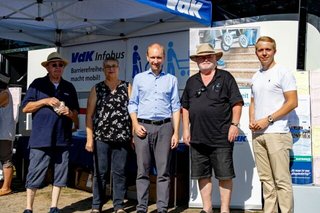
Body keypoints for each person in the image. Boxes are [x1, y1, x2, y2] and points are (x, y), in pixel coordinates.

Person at [181, 43, 243, 213]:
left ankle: (224, 210)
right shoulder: (191, 81)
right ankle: (207, 209)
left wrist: (234, 125)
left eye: (209, 56)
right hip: (197, 137)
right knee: (202, 175)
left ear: (215, 58)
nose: (206, 59)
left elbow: (237, 102)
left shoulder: (226, 77)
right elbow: (185, 107)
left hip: (221, 137)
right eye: (202, 56)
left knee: (225, 175)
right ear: (197, 60)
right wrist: (185, 130)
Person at [21, 52, 79, 213]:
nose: (58, 67)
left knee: (60, 175)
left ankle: (54, 207)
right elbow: (26, 108)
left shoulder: (69, 87)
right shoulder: (37, 84)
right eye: (54, 65)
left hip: (62, 139)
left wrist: (69, 112)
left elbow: (76, 119)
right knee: (34, 173)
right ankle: (28, 208)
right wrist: (45, 101)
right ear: (47, 67)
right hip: (41, 138)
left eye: (61, 65)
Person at [128, 43, 181, 213]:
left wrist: (176, 132)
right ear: (147, 57)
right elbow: (132, 104)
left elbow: (175, 107)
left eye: (159, 57)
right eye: (153, 57)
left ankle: (162, 208)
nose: (156, 61)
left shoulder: (171, 79)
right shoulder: (139, 78)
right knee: (142, 170)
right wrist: (135, 125)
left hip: (165, 128)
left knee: (163, 171)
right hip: (142, 128)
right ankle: (142, 208)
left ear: (163, 58)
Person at [249, 36, 298, 213]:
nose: (264, 53)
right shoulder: (256, 76)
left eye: (267, 49)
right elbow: (253, 102)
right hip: (258, 136)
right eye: (260, 50)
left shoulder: (283, 72)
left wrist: (267, 120)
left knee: (282, 182)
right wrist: (252, 121)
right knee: (267, 183)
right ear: (256, 53)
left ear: (274, 51)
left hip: (277, 134)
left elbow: (292, 102)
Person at [85, 57, 132, 213]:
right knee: (100, 172)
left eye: (114, 66)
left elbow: (133, 113)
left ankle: (118, 206)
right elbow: (89, 115)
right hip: (101, 138)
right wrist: (89, 138)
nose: (111, 69)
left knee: (120, 173)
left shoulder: (127, 87)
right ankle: (96, 206)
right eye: (107, 67)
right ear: (103, 69)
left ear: (118, 68)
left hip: (122, 138)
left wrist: (132, 135)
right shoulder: (96, 88)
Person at [0, 73, 15, 196]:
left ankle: (6, 187)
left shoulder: (4, 94)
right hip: (2, 133)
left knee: (6, 159)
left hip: (4, 134)